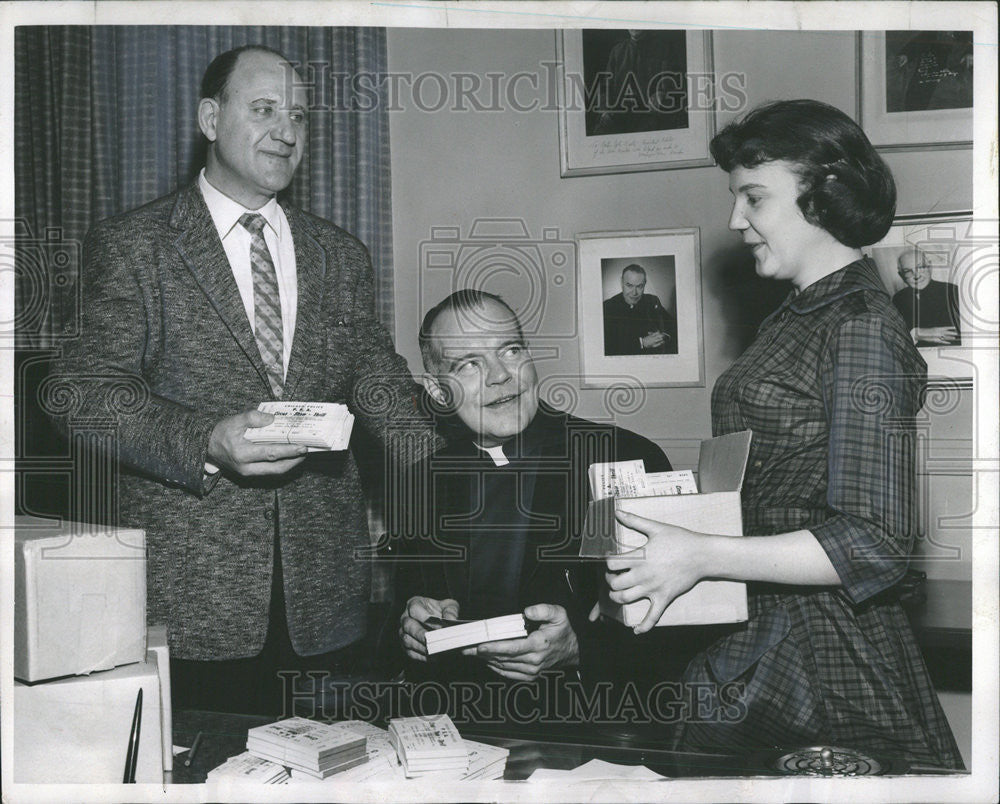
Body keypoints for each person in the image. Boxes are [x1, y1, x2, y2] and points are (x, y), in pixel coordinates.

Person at [49, 45, 436, 715]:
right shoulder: (133, 245)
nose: (287, 131)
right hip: (191, 604)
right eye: (264, 110)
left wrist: (458, 415)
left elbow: (379, 384)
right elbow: (81, 392)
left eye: (300, 116)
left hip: (328, 606)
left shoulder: (340, 254)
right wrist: (207, 439)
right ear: (209, 117)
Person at [599, 100, 963, 768]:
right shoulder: (802, 316)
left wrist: (701, 553)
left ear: (822, 198)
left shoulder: (858, 325)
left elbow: (876, 541)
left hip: (822, 655)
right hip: (771, 634)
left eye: (754, 198)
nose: (737, 220)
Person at [389, 290, 681, 726]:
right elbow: (407, 608)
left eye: (510, 350)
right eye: (468, 364)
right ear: (437, 389)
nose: (501, 376)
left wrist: (579, 648)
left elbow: (683, 637)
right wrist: (411, 624)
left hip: (591, 733)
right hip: (455, 734)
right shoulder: (419, 480)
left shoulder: (625, 458)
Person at [590, 29, 688, 136]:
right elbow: (606, 86)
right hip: (621, 116)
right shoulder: (618, 51)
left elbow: (673, 80)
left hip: (651, 116)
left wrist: (662, 92)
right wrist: (605, 110)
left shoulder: (663, 49)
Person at [603, 264, 678, 355]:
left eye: (639, 286)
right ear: (621, 282)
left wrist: (663, 337)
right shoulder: (607, 307)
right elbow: (607, 346)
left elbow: (673, 326)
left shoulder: (652, 301)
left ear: (645, 284)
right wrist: (642, 343)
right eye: (629, 285)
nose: (634, 293)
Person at [892, 248, 961, 346]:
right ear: (901, 275)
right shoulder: (898, 299)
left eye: (920, 267)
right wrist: (916, 333)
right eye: (908, 271)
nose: (916, 276)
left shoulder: (952, 291)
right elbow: (895, 338)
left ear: (930, 267)